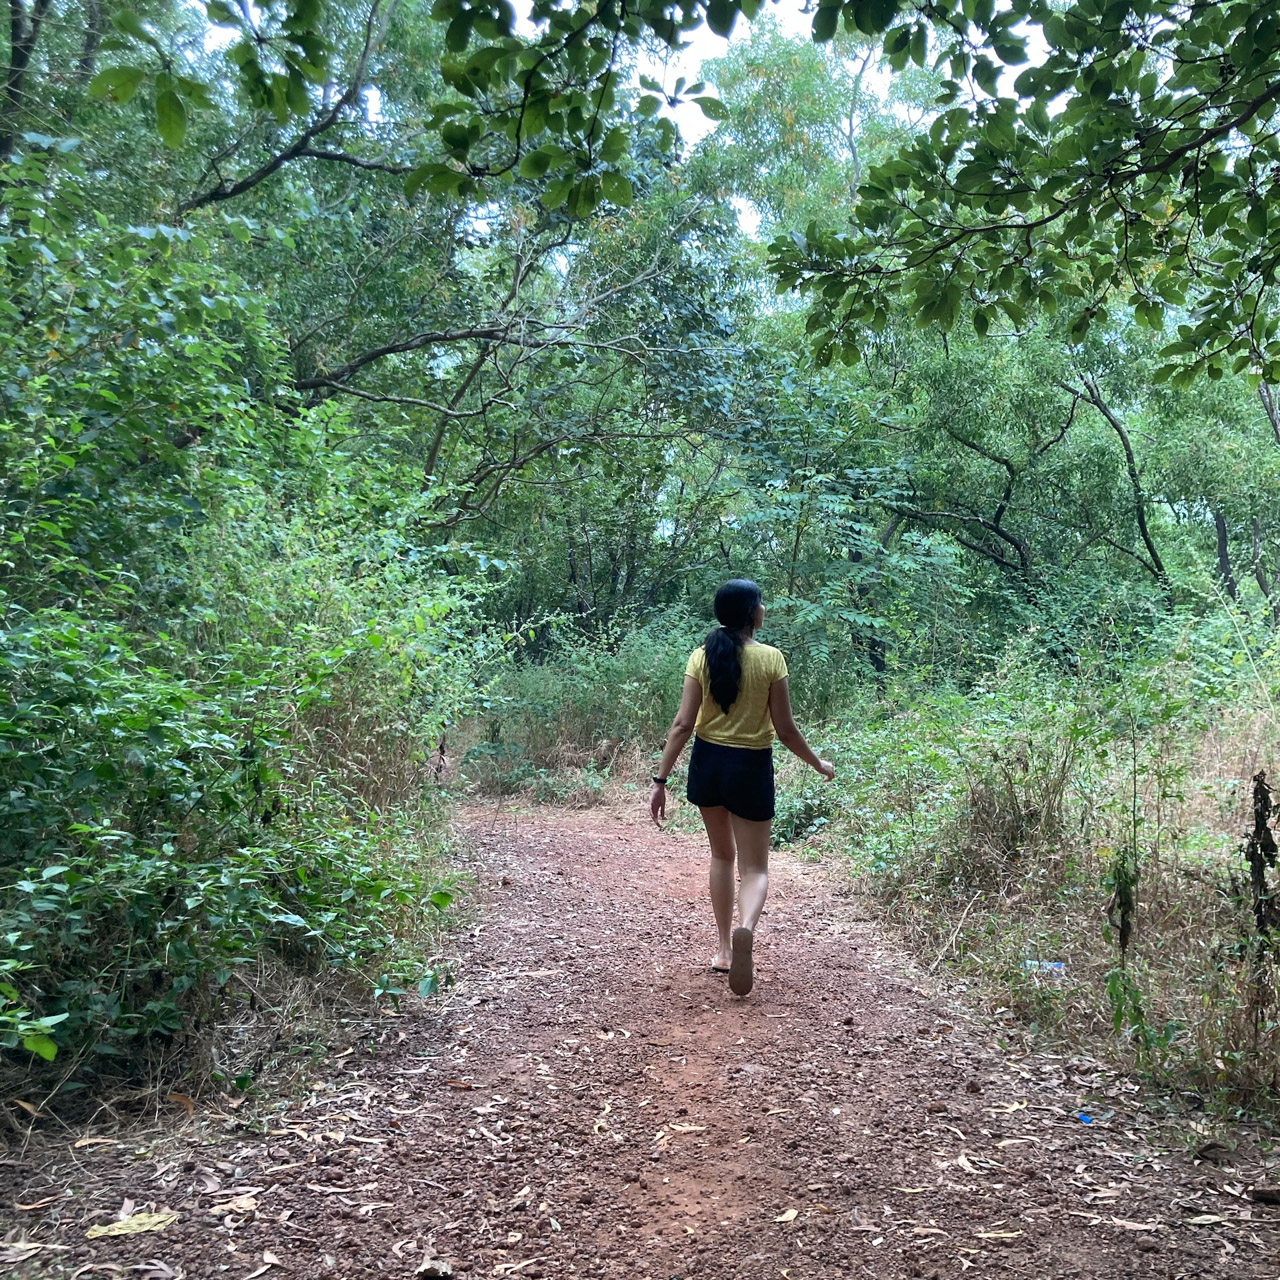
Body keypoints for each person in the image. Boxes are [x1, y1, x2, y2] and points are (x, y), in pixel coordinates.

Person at [649, 579, 834, 996]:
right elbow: (786, 730)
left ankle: (723, 950)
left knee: (721, 855)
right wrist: (817, 763)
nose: (764, 609)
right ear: (752, 613)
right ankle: (745, 927)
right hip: (750, 766)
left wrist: (660, 781)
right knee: (755, 868)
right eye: (761, 604)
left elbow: (682, 724)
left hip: (708, 763)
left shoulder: (701, 656)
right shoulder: (771, 659)